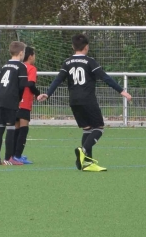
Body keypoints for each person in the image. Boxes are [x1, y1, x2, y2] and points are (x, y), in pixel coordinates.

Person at [42, 33, 125, 171]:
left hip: (74, 101)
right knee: (99, 128)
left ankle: (88, 163)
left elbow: (58, 79)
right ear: (86, 47)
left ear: (72, 47)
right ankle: (83, 150)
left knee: (87, 129)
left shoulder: (67, 62)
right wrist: (121, 91)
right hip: (88, 100)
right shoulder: (90, 61)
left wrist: (48, 93)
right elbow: (105, 77)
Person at [0, 41, 30, 165]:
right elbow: (22, 85)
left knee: (0, 128)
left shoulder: (5, 66)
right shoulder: (21, 66)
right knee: (10, 129)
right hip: (10, 100)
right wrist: (18, 99)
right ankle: (8, 158)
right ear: (21, 53)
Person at [12, 46, 41, 164]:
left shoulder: (18, 67)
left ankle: (13, 154)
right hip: (25, 101)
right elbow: (30, 84)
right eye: (34, 55)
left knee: (16, 128)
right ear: (30, 56)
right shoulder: (31, 68)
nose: (35, 57)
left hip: (14, 101)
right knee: (24, 129)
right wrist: (38, 94)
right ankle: (17, 155)